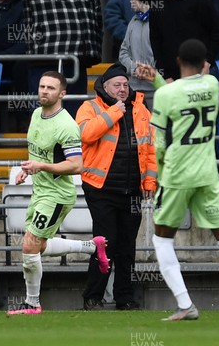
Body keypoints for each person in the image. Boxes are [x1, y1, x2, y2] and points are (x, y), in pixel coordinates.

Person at [135, 38, 219, 320]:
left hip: (176, 174)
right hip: (207, 174)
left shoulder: (166, 95)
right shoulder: (212, 85)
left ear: (177, 61)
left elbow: (159, 141)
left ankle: (185, 305)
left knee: (162, 241)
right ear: (204, 64)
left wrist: (160, 175)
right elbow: (189, 90)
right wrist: (160, 80)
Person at [6, 71, 109, 315]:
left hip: (57, 195)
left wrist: (41, 167)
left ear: (62, 93)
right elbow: (39, 152)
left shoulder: (67, 126)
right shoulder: (35, 114)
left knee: (29, 245)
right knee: (38, 246)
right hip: (40, 190)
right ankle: (92, 247)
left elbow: (76, 165)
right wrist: (28, 171)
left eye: (51, 88)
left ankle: (32, 304)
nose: (44, 91)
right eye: (41, 86)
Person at [76, 63, 157, 311]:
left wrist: (150, 180)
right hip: (100, 188)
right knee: (104, 243)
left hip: (132, 190)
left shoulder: (141, 109)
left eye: (125, 85)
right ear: (105, 86)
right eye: (117, 85)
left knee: (127, 247)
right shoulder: (90, 107)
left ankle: (124, 297)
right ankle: (93, 296)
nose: (122, 89)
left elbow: (150, 148)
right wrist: (113, 112)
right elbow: (86, 134)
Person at [10, 0, 103, 116]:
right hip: (45, 58)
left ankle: (72, 143)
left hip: (77, 59)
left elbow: (97, 16)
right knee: (44, 111)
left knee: (76, 113)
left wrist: (93, 52)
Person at [149, 0, 219, 81]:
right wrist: (166, 75)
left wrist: (208, 62)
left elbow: (217, 34)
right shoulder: (157, 3)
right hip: (172, 78)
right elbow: (155, 41)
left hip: (202, 72)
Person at [119, 0, 158, 109]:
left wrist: (150, 72)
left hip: (156, 89)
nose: (131, 2)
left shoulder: (160, 21)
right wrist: (134, 69)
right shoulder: (133, 22)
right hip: (134, 88)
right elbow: (124, 52)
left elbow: (166, 52)